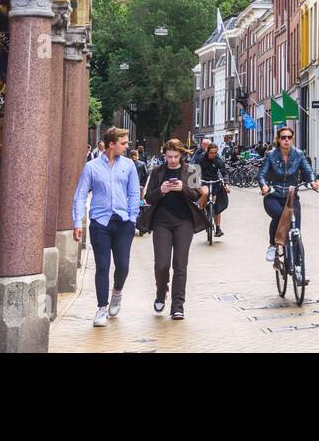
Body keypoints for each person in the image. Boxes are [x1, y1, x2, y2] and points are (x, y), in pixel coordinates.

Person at [72, 127, 142, 327]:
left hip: (123, 223)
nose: (127, 147)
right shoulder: (91, 167)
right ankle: (101, 308)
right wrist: (78, 222)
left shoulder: (128, 166)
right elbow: (80, 195)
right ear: (112, 144)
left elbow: (134, 193)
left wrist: (132, 218)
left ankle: (117, 293)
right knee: (102, 266)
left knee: (123, 265)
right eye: (124, 143)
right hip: (100, 224)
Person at [142, 138, 208, 320]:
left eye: (175, 157)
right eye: (169, 157)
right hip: (161, 222)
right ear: (164, 155)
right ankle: (161, 292)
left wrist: (183, 188)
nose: (172, 160)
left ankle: (178, 306)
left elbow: (197, 194)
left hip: (184, 222)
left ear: (181, 155)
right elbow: (148, 198)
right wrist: (161, 190)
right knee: (161, 264)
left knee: (180, 264)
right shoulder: (156, 172)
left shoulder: (193, 170)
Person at [259, 125, 317, 263]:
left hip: (291, 197)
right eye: (283, 137)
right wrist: (264, 186)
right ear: (278, 140)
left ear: (292, 139)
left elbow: (308, 170)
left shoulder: (299, 154)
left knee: (296, 229)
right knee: (280, 215)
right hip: (273, 195)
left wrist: (313, 181)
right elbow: (262, 174)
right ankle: (273, 245)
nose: (286, 140)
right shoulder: (271, 155)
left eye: (289, 137)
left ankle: (298, 267)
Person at [198, 142, 230, 237]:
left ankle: (218, 228)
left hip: (215, 182)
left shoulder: (218, 160)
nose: (213, 155)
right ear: (207, 152)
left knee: (216, 205)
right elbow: (194, 171)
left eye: (215, 153)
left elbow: (224, 173)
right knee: (204, 195)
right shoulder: (201, 159)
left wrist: (227, 184)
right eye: (211, 153)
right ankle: (202, 212)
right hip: (204, 181)